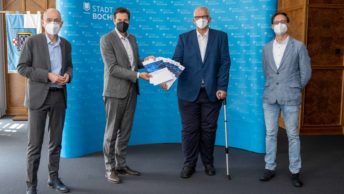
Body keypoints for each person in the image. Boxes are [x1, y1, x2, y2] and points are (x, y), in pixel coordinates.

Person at [168, 6, 230, 178]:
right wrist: (163, 72)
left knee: (209, 129)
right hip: (188, 92)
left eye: (204, 16)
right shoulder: (184, 38)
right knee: (189, 130)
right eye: (198, 17)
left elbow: (225, 63)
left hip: (212, 92)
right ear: (193, 20)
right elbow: (176, 62)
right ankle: (189, 164)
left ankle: (208, 162)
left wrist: (222, 87)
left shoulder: (221, 37)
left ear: (209, 18)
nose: (201, 19)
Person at [17, 8, 72, 194]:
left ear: (62, 23)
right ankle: (31, 185)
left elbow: (70, 66)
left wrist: (67, 75)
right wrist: (47, 75)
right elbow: (22, 68)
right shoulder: (32, 42)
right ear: (42, 22)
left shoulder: (66, 44)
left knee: (56, 142)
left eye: (57, 20)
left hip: (59, 96)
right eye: (50, 19)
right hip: (38, 97)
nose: (53, 23)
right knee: (35, 145)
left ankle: (53, 178)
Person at [100, 7, 152, 184]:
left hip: (131, 90)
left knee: (125, 131)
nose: (123, 23)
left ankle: (121, 164)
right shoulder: (106, 39)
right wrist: (138, 75)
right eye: (119, 20)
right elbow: (113, 68)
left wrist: (146, 62)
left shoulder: (132, 38)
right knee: (111, 132)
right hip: (114, 92)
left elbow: (133, 63)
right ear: (114, 20)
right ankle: (109, 167)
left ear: (129, 21)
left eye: (126, 20)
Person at [259, 12, 312, 187]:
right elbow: (267, 71)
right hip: (270, 97)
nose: (280, 24)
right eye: (276, 22)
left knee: (292, 135)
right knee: (270, 134)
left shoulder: (298, 46)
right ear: (271, 26)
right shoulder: (266, 48)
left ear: (288, 23)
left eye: (283, 21)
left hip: (290, 97)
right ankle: (269, 167)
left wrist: (295, 88)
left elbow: (306, 72)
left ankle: (295, 171)